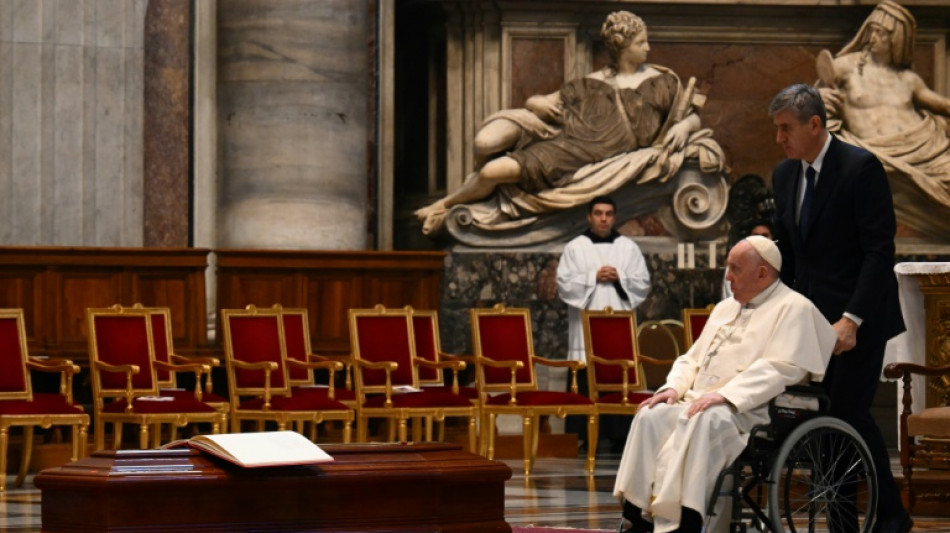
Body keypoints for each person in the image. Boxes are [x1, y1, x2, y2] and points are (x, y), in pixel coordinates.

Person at [414, 10, 725, 235]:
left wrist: (684, 127)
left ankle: (446, 205)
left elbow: (691, 116)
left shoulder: (661, 81)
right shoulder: (591, 82)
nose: (648, 48)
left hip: (594, 155)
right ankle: (446, 203)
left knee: (495, 171)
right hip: (570, 146)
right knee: (490, 163)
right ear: (622, 46)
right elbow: (544, 102)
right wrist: (534, 102)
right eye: (641, 42)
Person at [614, 236, 836, 533]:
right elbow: (690, 359)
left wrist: (726, 395)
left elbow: (782, 369)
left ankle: (688, 522)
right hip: (700, 399)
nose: (728, 276)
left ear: (762, 273)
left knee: (706, 420)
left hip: (754, 407)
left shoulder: (795, 309)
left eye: (735, 268)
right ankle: (637, 515)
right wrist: (673, 388)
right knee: (651, 414)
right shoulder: (724, 308)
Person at [769, 83, 911, 533]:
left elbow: (877, 251)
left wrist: (851, 320)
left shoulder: (860, 168)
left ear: (815, 124)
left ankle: (883, 518)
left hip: (858, 319)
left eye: (786, 128)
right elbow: (790, 254)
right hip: (810, 320)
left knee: (846, 413)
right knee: (824, 416)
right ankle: (861, 520)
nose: (780, 139)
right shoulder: (785, 175)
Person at [816, 0, 950, 237]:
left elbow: (941, 104)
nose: (873, 38)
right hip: (871, 153)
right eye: (872, 31)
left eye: (882, 33)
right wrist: (821, 96)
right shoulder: (846, 66)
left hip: (925, 150)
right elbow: (810, 101)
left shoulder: (909, 79)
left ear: (897, 40)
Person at [556, 195, 651, 451]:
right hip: (584, 331)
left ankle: (621, 437)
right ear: (589, 216)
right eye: (598, 213)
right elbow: (564, 284)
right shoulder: (575, 247)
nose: (603, 218)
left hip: (617, 330)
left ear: (615, 217)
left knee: (618, 377)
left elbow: (642, 282)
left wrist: (620, 279)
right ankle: (586, 436)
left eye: (608, 213)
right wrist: (592, 277)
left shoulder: (628, 247)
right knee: (587, 378)